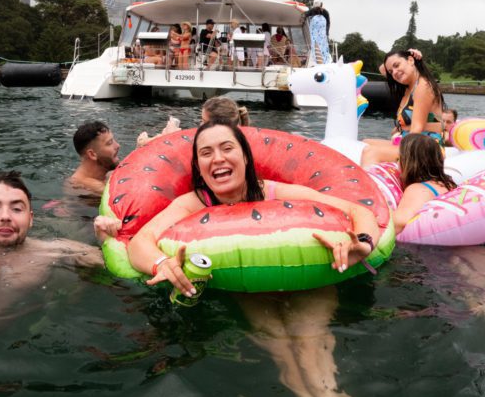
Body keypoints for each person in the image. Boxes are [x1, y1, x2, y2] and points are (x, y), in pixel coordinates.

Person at [96, 119, 380, 296]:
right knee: (282, 348)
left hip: (303, 286)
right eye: (206, 153)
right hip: (237, 289)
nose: (217, 159)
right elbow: (140, 242)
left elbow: (360, 211)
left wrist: (364, 243)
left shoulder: (272, 191)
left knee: (312, 344)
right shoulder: (194, 202)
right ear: (198, 166)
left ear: (245, 157)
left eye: (227, 148)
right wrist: (162, 263)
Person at [361, 49, 446, 166]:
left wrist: (409, 55)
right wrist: (406, 53)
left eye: (397, 65)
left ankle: (371, 184)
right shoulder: (408, 87)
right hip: (411, 142)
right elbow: (383, 68)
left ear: (411, 61)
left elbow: (417, 130)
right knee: (365, 143)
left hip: (427, 147)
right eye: (391, 71)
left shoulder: (422, 86)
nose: (394, 72)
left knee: (370, 152)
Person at [392, 133, 457, 234]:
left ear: (409, 163)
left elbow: (400, 224)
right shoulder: (448, 183)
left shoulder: (418, 189)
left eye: (399, 159)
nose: (397, 163)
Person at [68, 121, 121, 197]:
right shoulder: (85, 185)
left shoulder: (104, 168)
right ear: (92, 154)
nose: (118, 145)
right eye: (109, 143)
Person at [306, 0, 331, 64]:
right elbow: (305, 14)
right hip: (316, 34)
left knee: (321, 47)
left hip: (322, 34)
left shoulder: (325, 12)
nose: (316, 9)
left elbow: (328, 23)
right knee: (317, 46)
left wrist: (326, 33)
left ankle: (322, 61)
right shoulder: (312, 11)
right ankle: (318, 60)